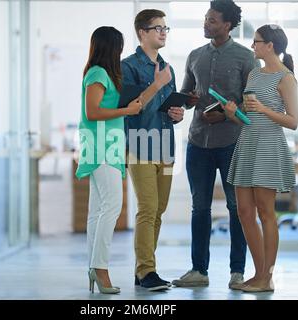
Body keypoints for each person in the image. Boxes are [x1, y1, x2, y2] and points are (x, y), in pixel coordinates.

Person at [76, 26, 172, 294]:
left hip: (110, 150)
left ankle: (94, 267)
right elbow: (92, 112)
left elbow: (134, 105)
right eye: (118, 47)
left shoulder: (107, 75)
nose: (121, 52)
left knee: (98, 211)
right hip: (101, 149)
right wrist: (126, 110)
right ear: (111, 47)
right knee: (111, 208)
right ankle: (101, 268)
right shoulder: (97, 74)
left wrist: (155, 87)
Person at [172, 0, 258, 290]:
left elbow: (252, 103)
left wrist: (226, 113)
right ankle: (199, 270)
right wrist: (186, 102)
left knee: (237, 208)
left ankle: (237, 272)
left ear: (227, 25)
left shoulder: (246, 58)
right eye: (205, 18)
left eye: (212, 20)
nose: (206, 23)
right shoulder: (195, 56)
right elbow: (184, 95)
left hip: (232, 143)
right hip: (197, 142)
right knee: (199, 208)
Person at [224, 24, 298, 292]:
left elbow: (293, 122)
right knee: (244, 212)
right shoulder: (254, 74)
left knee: (267, 212)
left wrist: (264, 109)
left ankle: (267, 277)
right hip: (247, 144)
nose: (252, 46)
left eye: (256, 42)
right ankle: (257, 274)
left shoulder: (285, 77)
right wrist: (233, 112)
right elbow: (248, 115)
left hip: (268, 147)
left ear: (270, 46)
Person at [122, 9, 184, 291]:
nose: (163, 32)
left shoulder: (168, 67)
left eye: (165, 28)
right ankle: (147, 271)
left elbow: (166, 105)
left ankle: (144, 269)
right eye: (157, 28)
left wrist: (177, 113)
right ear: (142, 33)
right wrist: (157, 84)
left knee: (158, 210)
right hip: (139, 143)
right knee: (147, 209)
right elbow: (131, 108)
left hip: (165, 145)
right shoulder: (128, 67)